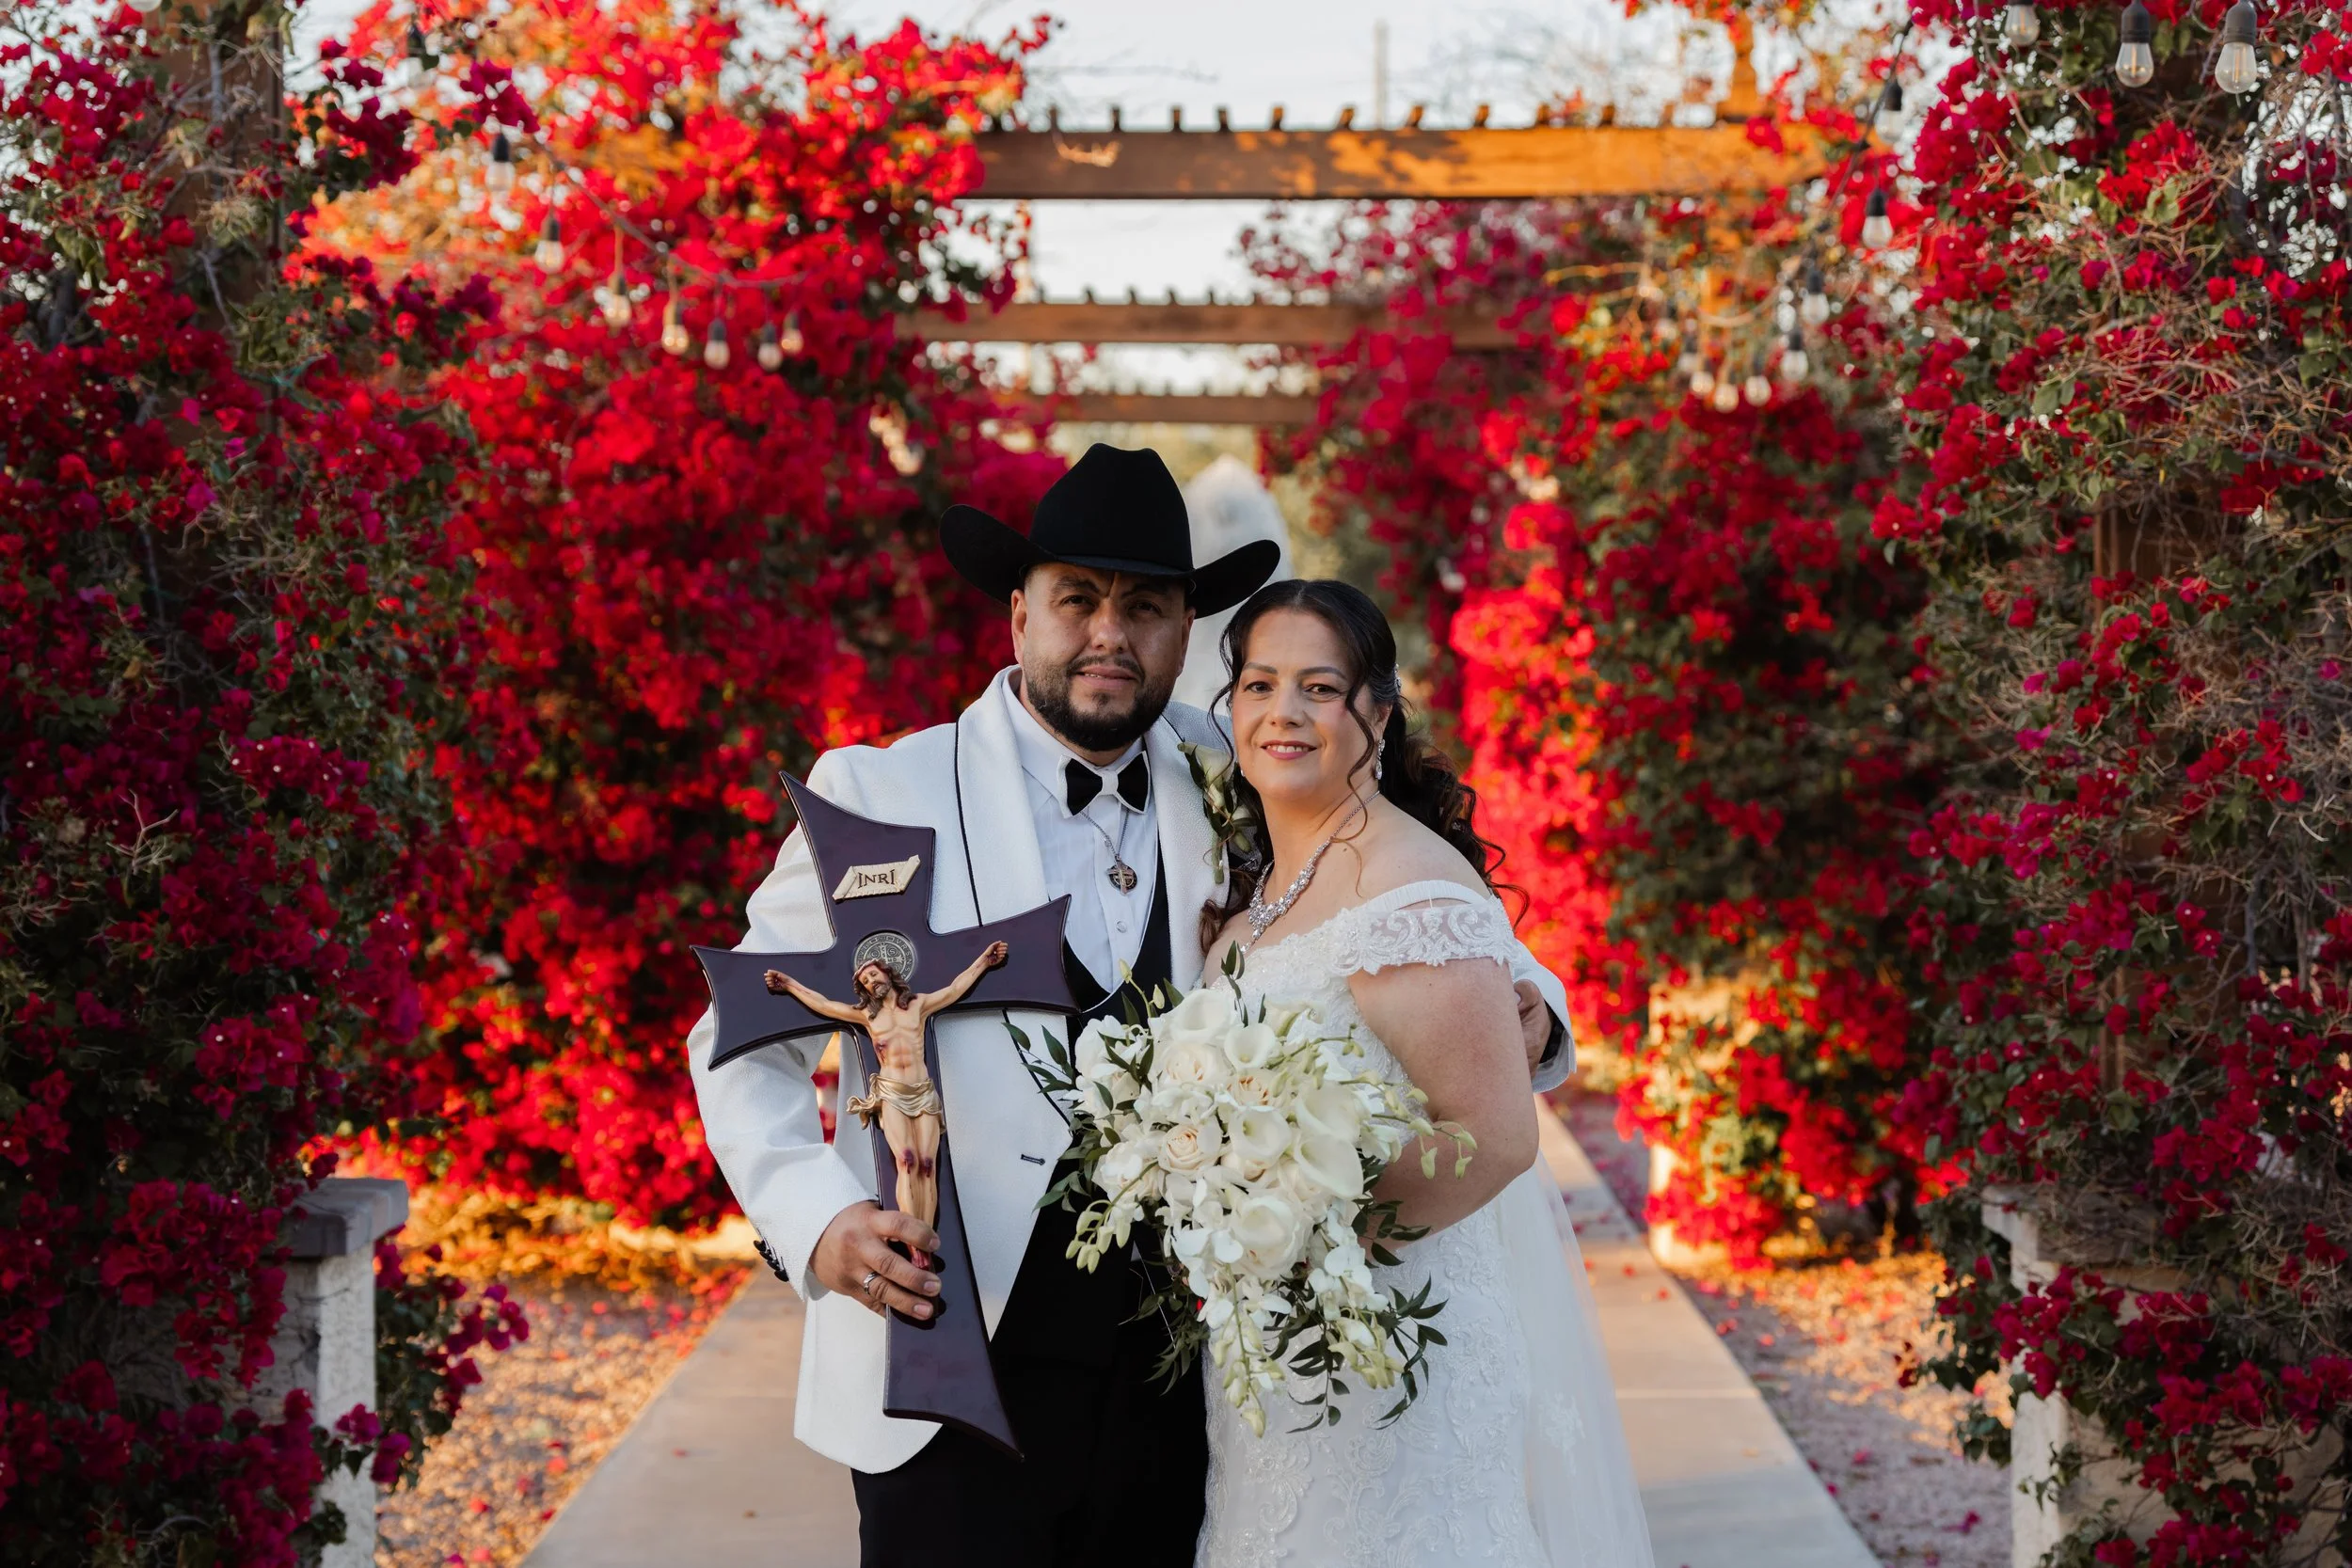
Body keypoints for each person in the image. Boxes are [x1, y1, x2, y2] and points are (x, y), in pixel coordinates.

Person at [684, 444, 1575, 1568]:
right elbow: (737, 1036)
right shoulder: (882, 794)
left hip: (1180, 1371)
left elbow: (1393, 874)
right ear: (1018, 616)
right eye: (1078, 599)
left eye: (1146, 606)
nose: (1110, 632)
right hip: (949, 1361)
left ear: (1184, 628)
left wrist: (1524, 999)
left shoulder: (1234, 763)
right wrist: (816, 1222)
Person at [1194, 578, 1656, 1568]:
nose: (1283, 711)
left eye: (1320, 686)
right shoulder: (1260, 890)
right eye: (1259, 682)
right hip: (1277, 1361)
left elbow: (1492, 1136)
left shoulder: (1408, 885)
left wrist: (1304, 1234)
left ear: (1377, 709)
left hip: (1391, 1345)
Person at [760, 941, 1009, 1261]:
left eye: (873, 975)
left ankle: (926, 1236)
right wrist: (790, 985)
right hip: (892, 1092)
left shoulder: (917, 1005)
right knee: (906, 1161)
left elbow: (954, 989)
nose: (871, 982)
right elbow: (823, 1005)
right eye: (865, 981)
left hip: (923, 1091)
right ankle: (914, 1242)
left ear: (888, 975)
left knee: (927, 1166)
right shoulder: (866, 1016)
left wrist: (984, 962)